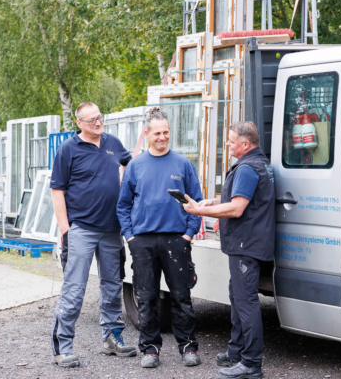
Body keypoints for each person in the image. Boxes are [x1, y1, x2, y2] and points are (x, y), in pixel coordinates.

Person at [183, 121, 275, 379]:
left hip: (247, 246)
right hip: (250, 243)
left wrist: (199, 210)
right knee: (237, 297)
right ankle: (236, 352)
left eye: (231, 141)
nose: (228, 144)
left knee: (246, 304)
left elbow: (236, 208)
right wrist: (215, 200)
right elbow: (245, 198)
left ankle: (251, 364)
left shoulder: (247, 168)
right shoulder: (259, 163)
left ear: (245, 145)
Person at [50, 102, 136, 368]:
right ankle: (63, 346)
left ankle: (111, 338)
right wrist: (66, 230)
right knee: (74, 289)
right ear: (79, 124)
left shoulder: (113, 142)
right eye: (91, 120)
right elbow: (57, 191)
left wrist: (122, 185)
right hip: (82, 230)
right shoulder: (68, 150)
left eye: (100, 118)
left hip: (112, 229)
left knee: (112, 286)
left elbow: (130, 164)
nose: (98, 123)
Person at [117, 108, 203, 369]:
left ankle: (188, 347)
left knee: (181, 297)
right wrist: (130, 236)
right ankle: (151, 349)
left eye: (166, 132)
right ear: (147, 134)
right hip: (143, 242)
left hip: (176, 240)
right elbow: (123, 205)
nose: (163, 137)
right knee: (147, 297)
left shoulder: (182, 164)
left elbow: (196, 201)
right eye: (157, 133)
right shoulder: (136, 165)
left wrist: (188, 233)